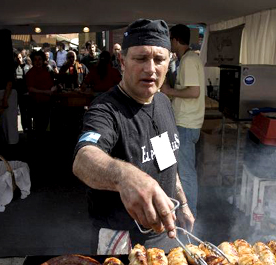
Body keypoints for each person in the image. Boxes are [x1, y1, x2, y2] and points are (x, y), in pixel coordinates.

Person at [72, 19, 194, 252]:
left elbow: (166, 158)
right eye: (140, 58)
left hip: (163, 233)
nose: (150, 68)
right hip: (120, 242)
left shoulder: (162, 101)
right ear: (122, 61)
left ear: (169, 62)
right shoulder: (106, 109)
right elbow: (83, 159)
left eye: (159, 59)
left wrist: (183, 203)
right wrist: (125, 176)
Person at [161, 24, 206, 217]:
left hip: (186, 124)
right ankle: (180, 210)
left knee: (186, 172)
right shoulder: (185, 60)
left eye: (170, 39)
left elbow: (193, 91)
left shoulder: (188, 60)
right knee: (176, 168)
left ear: (175, 40)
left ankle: (190, 214)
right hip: (182, 122)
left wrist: (169, 91)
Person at [25, 50, 56, 132]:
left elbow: (51, 85)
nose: (38, 62)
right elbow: (30, 88)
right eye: (35, 60)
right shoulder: (30, 73)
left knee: (46, 126)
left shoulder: (46, 72)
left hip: (47, 103)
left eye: (40, 59)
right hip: (36, 104)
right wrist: (45, 92)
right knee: (39, 128)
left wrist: (55, 87)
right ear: (32, 61)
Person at [0, 60, 18, 146]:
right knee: (4, 125)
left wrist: (5, 100)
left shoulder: (3, 73)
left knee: (9, 124)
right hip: (2, 98)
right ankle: (8, 143)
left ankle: (12, 145)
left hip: (6, 99)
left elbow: (9, 84)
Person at [15, 52, 31, 133]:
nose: (19, 59)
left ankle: (27, 127)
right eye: (17, 58)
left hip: (25, 93)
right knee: (21, 112)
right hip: (17, 93)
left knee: (25, 112)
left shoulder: (26, 67)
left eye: (20, 57)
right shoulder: (14, 68)